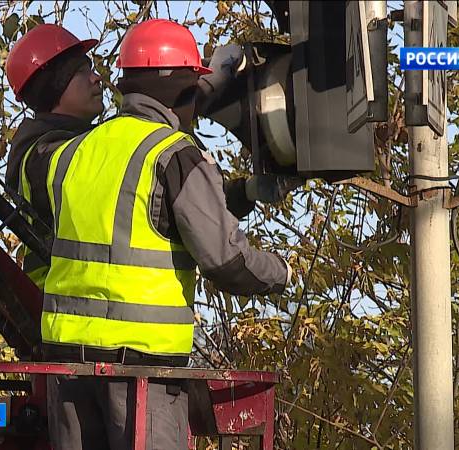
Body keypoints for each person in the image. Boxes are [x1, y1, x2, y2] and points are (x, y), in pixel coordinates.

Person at [39, 19, 294, 450]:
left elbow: (130, 217)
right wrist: (281, 272)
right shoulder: (174, 154)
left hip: (68, 371)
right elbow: (225, 259)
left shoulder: (73, 152)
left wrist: (243, 193)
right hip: (142, 373)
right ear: (181, 87)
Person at [4, 23, 105, 288]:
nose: (96, 78)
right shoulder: (42, 155)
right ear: (54, 87)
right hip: (61, 306)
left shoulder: (63, 143)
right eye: (81, 72)